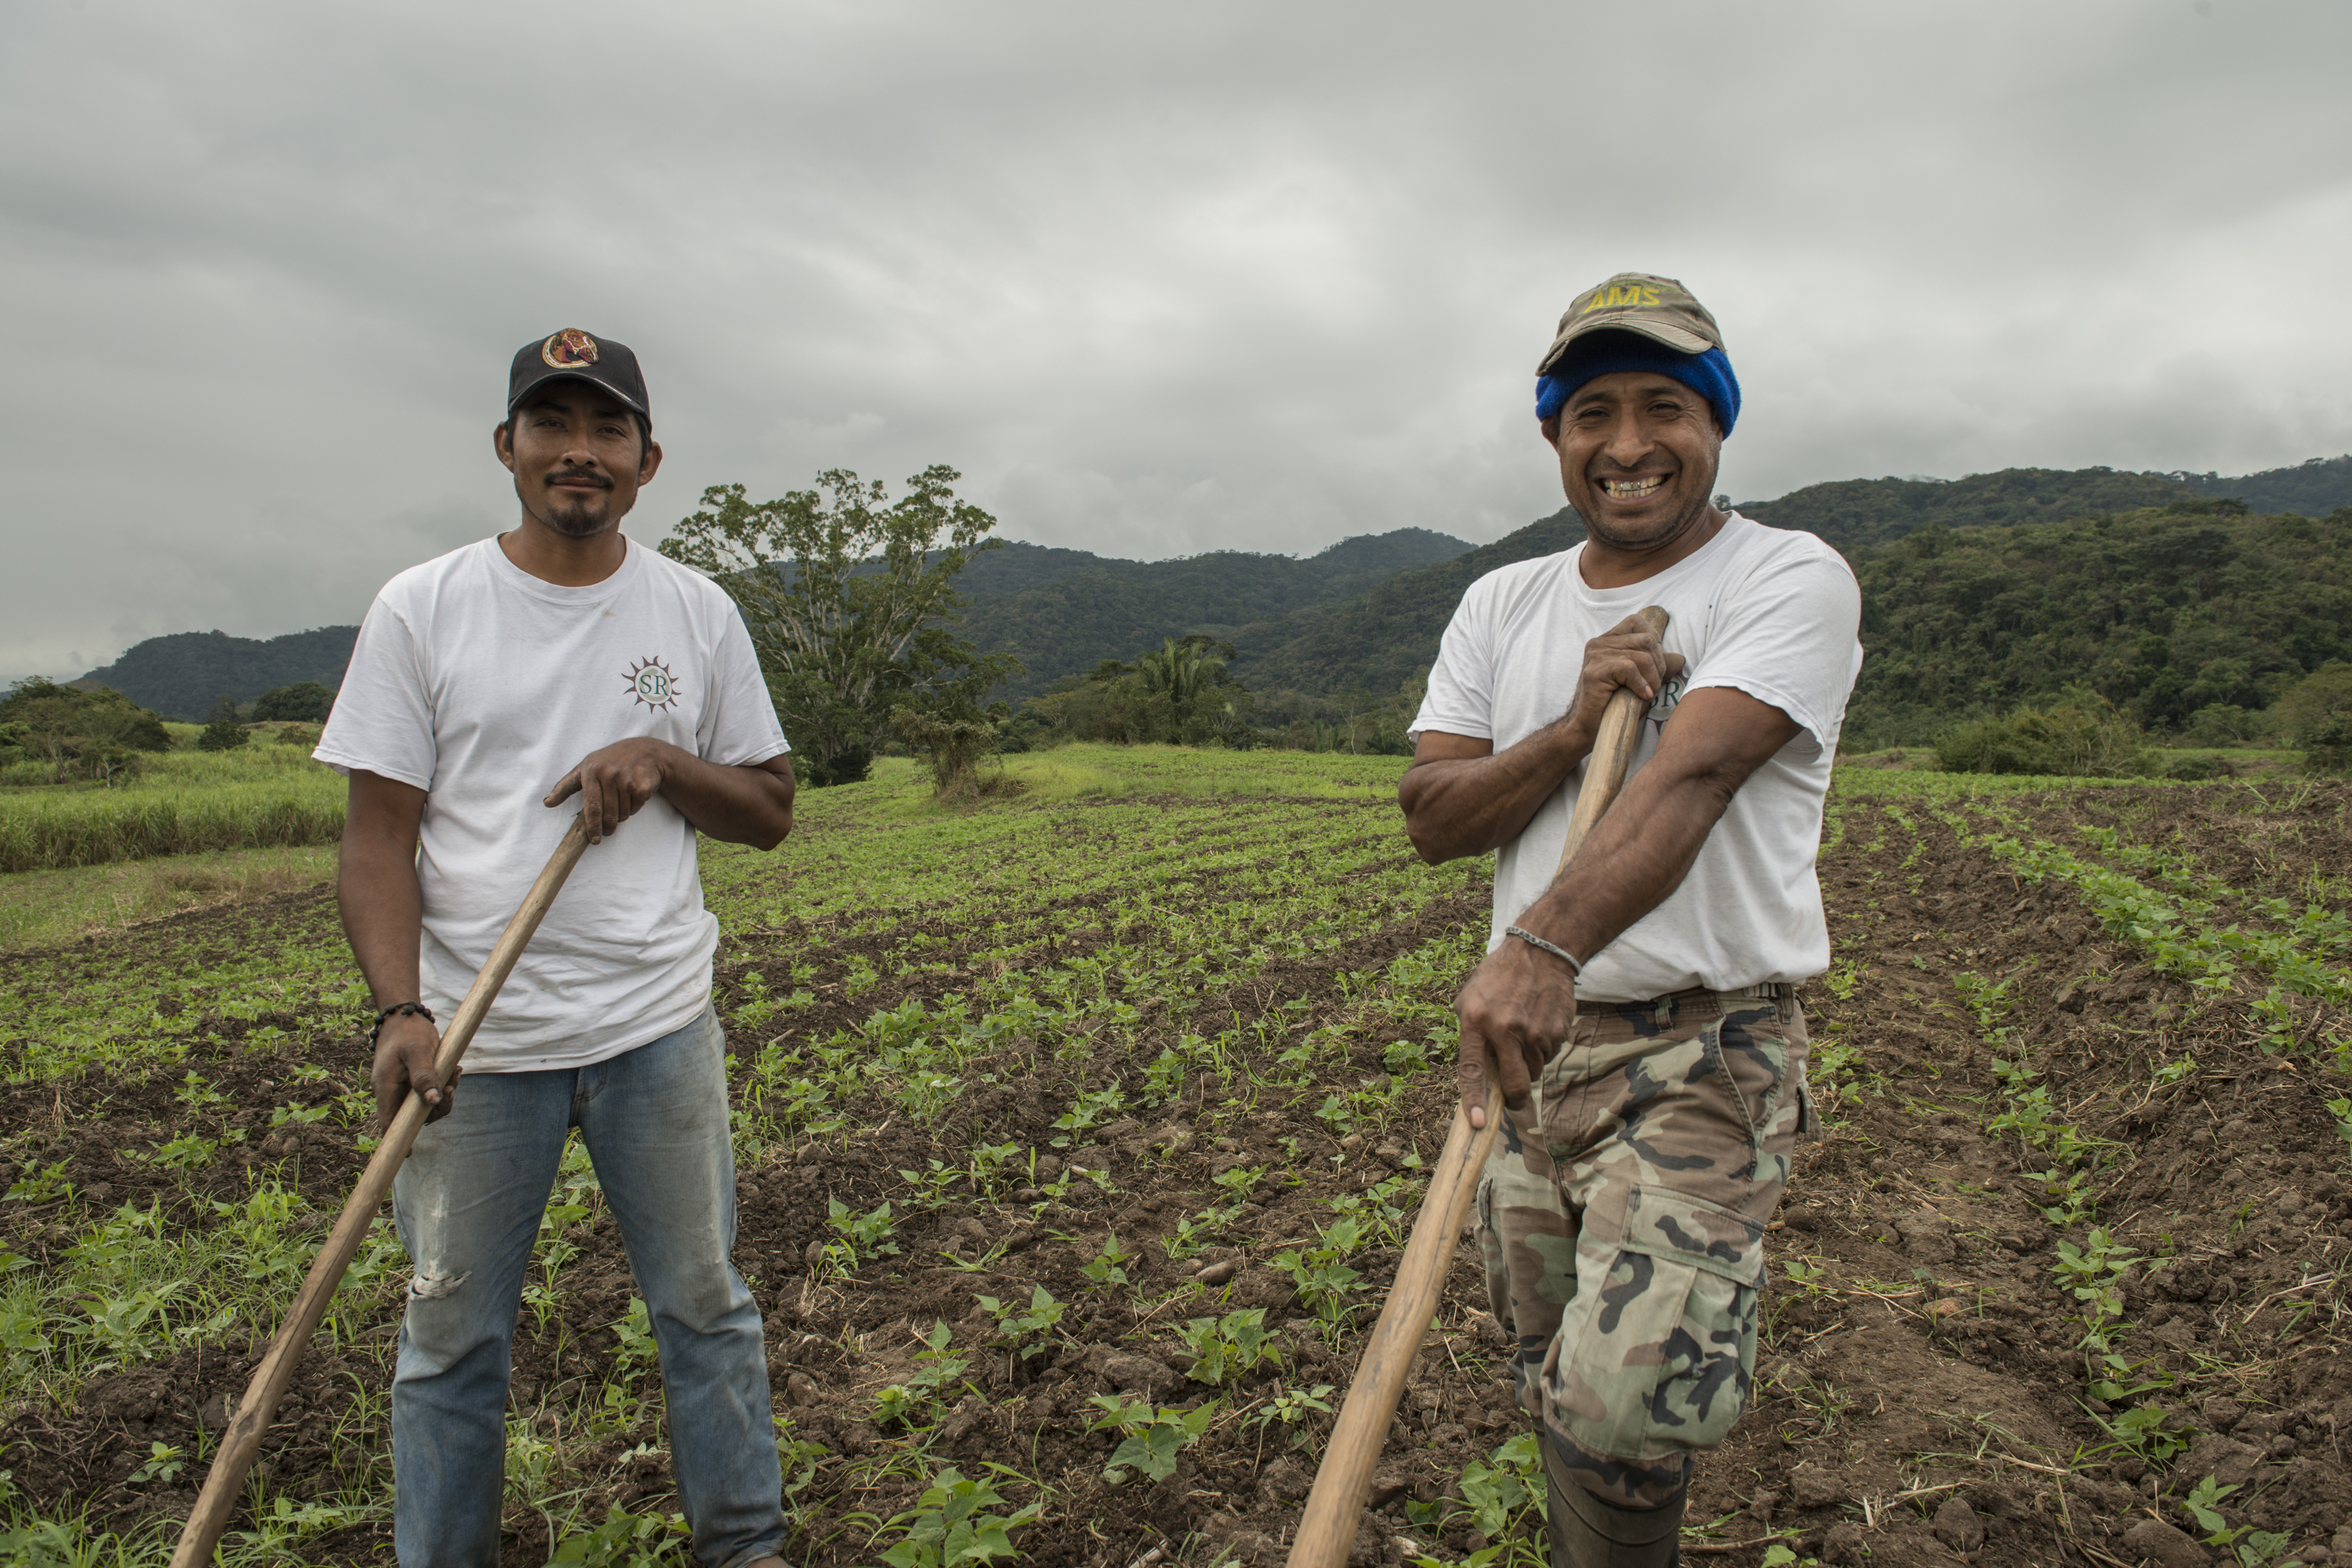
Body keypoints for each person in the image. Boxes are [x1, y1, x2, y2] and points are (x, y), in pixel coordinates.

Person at [1397, 274, 1863, 1567]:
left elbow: (1690, 782)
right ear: (1554, 435)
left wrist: (1541, 943)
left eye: (1666, 404)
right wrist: (1561, 727)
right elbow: (1437, 815)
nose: (1628, 443)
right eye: (1591, 410)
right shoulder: (1502, 605)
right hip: (1536, 1065)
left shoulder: (1789, 577)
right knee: (1553, 1370)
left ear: (1718, 424)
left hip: (1703, 1053)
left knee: (1625, 1413)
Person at [315, 328, 798, 1568]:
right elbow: (378, 842)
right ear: (508, 448)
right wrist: (398, 1013)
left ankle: (744, 1549)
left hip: (656, 1032)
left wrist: (668, 760)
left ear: (647, 461)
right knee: (452, 1339)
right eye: (552, 427)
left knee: (704, 1310)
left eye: (605, 432)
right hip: (477, 1050)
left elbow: (771, 813)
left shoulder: (696, 612)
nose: (578, 453)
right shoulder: (423, 609)